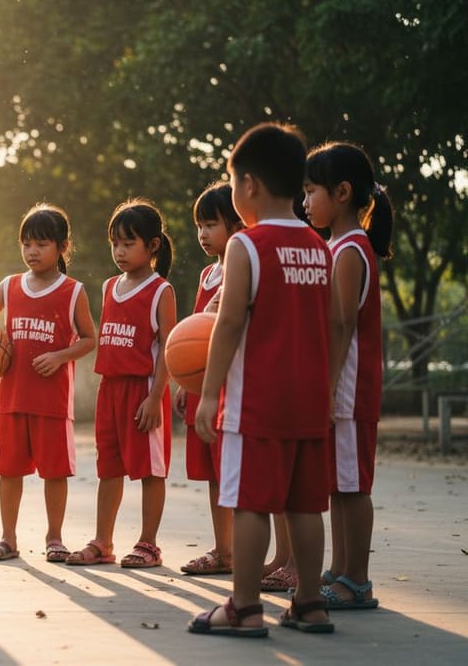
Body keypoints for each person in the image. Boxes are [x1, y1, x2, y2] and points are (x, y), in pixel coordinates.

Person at [189, 122, 334, 637]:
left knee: (249, 501)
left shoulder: (246, 246)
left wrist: (209, 395)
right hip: (311, 400)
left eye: (231, 183)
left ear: (248, 184)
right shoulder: (320, 247)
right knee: (305, 505)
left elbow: (227, 324)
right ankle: (311, 602)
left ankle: (244, 608)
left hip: (259, 402)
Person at [0, 204, 95, 563]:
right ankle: (7, 538)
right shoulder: (10, 286)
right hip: (12, 399)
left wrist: (59, 356)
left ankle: (54, 538)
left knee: (55, 474)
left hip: (52, 402)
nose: (32, 251)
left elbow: (90, 338)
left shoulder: (72, 291)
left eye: (41, 243)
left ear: (62, 247)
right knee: (9, 472)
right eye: (26, 244)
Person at [303, 141, 393, 610]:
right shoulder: (337, 245)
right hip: (341, 389)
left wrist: (326, 384)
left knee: (353, 487)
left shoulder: (350, 249)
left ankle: (357, 579)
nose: (305, 202)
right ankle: (340, 570)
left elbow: (340, 324)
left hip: (348, 391)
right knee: (338, 485)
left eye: (311, 191)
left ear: (341, 192)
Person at [66, 200, 175, 569]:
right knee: (108, 469)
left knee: (150, 470)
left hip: (142, 391)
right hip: (109, 389)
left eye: (129, 243)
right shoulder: (110, 285)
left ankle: (149, 544)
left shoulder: (162, 290)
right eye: (115, 243)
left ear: (153, 246)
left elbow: (168, 352)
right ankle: (103, 541)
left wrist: (156, 396)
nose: (120, 251)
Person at [176, 182, 241, 575]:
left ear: (235, 223)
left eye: (211, 224)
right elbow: (191, 341)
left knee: (235, 474)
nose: (202, 234)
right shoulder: (207, 275)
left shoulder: (243, 266)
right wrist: (186, 384)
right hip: (203, 388)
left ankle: (251, 553)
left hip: (231, 389)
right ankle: (224, 550)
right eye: (199, 225)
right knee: (214, 476)